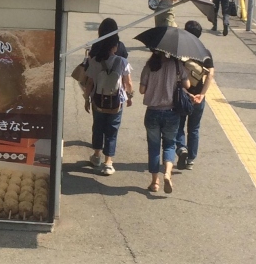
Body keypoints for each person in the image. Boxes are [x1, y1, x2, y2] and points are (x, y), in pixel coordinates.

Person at [78, 33, 133, 175]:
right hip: (116, 102)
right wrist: (130, 97)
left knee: (98, 127)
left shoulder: (95, 61)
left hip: (98, 101)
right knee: (112, 131)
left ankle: (96, 156)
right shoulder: (122, 61)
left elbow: (89, 83)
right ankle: (108, 163)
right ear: (115, 47)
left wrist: (86, 99)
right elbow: (128, 82)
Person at [140, 49, 190, 194]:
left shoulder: (149, 66)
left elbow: (142, 90)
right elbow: (187, 85)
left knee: (153, 147)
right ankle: (167, 173)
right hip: (171, 112)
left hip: (152, 112)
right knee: (169, 145)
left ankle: (155, 182)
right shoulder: (176, 65)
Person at [176, 20, 214, 169]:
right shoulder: (205, 52)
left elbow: (175, 75)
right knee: (194, 128)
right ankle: (191, 159)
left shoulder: (180, 52)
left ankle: (181, 148)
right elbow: (210, 74)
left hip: (182, 95)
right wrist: (202, 94)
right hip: (198, 97)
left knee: (179, 125)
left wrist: (186, 92)